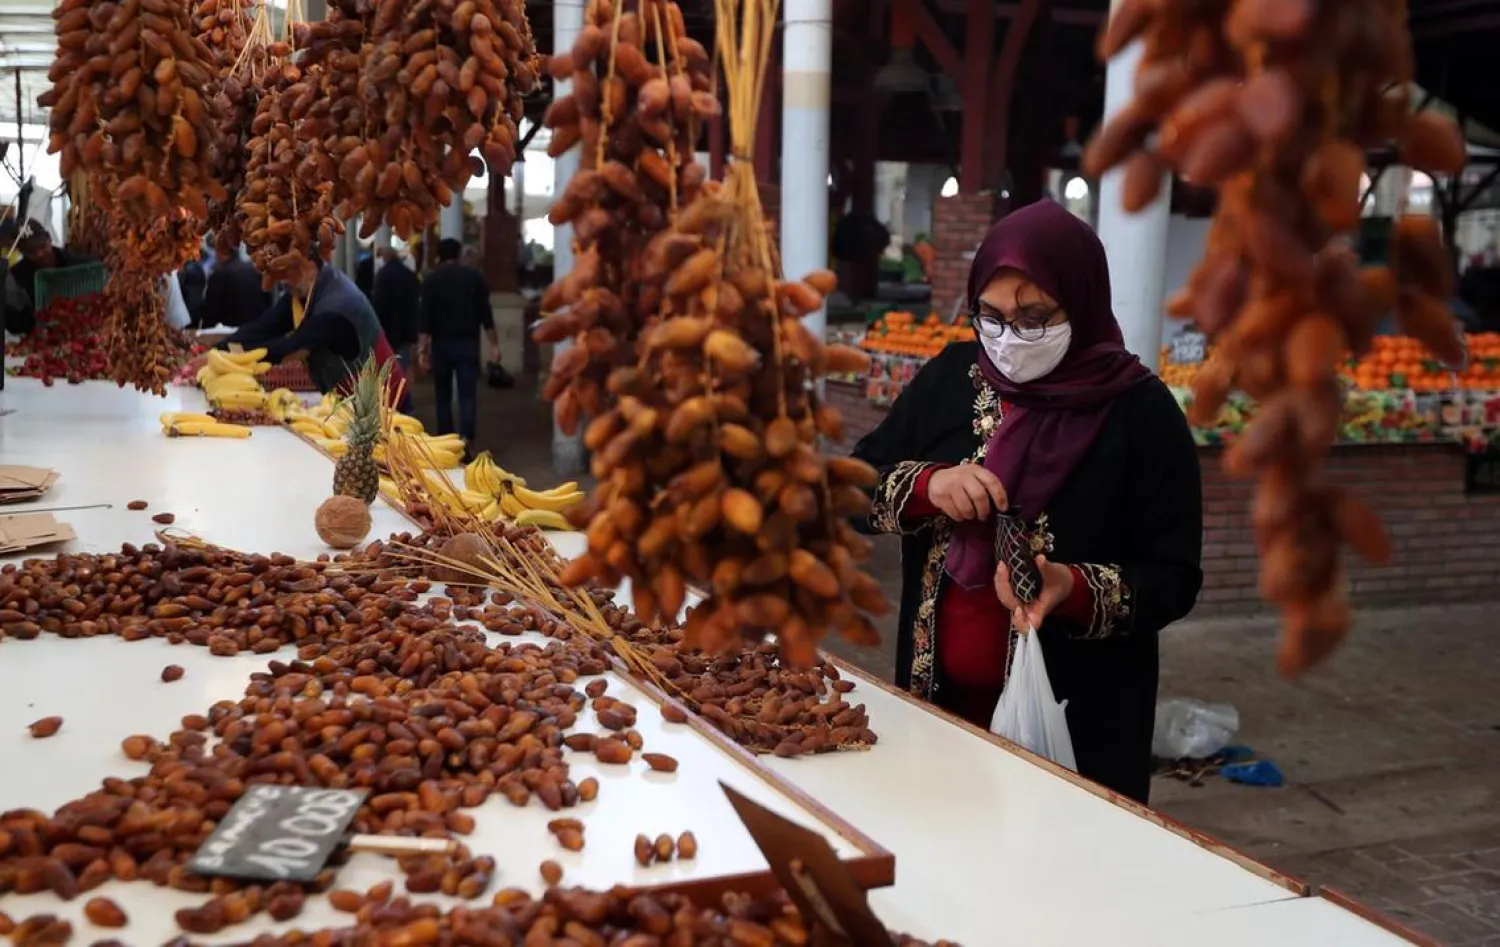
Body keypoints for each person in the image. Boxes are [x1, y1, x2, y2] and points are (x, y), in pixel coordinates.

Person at [852, 199, 1203, 804]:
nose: (1009, 337)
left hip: (1076, 725)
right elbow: (853, 485)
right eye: (990, 315)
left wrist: (1074, 587)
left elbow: (1173, 575)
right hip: (938, 708)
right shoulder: (952, 378)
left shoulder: (1141, 415)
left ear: (1082, 300)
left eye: (1035, 317)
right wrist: (926, 485)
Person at [214, 256, 409, 407]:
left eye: (290, 271)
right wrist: (217, 350)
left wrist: (230, 359)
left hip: (386, 402)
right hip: (346, 401)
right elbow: (265, 326)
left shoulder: (337, 304)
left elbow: (292, 348)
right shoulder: (304, 290)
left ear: (310, 265)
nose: (283, 280)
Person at [418, 238, 500, 447]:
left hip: (441, 345)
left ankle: (447, 438)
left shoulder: (431, 281)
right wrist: (494, 345)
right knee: (467, 393)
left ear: (439, 256)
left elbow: (425, 319)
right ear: (459, 254)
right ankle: (466, 438)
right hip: (467, 343)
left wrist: (422, 350)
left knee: (442, 393)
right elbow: (486, 314)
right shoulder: (474, 278)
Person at [5, 221, 86, 335]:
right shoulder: (15, 277)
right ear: (21, 252)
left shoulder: (78, 264)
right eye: (31, 252)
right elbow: (14, 325)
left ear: (49, 238)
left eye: (42, 246)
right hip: (40, 337)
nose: (40, 254)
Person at [371, 246, 421, 370]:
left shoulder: (382, 275)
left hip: (386, 329)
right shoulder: (409, 275)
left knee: (386, 367)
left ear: (385, 258)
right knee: (402, 366)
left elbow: (379, 304)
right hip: (405, 330)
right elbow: (415, 304)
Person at [200, 246, 270, 329]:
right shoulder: (256, 271)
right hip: (256, 330)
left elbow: (210, 312)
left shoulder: (219, 275)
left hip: (229, 332)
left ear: (220, 252)